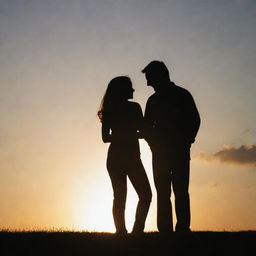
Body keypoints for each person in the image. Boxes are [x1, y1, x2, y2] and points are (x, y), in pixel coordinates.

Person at [142, 61, 200, 233]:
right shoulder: (168, 97)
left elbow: (194, 120)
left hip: (176, 151)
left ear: (159, 76)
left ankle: (177, 228)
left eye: (149, 78)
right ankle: (171, 229)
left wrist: (187, 140)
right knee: (168, 192)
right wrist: (154, 145)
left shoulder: (179, 96)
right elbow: (146, 128)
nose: (147, 83)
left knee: (177, 191)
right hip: (165, 152)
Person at [98, 76, 152, 235]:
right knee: (141, 195)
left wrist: (128, 134)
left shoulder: (113, 109)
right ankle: (129, 231)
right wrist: (130, 134)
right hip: (127, 157)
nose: (133, 90)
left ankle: (129, 231)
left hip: (119, 157)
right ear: (122, 90)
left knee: (122, 196)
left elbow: (107, 137)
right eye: (130, 87)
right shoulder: (133, 108)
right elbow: (105, 138)